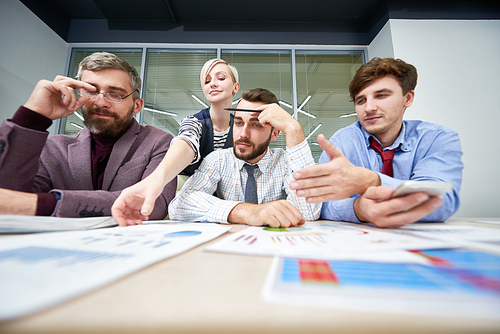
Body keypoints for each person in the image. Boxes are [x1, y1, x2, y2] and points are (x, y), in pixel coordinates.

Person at [289, 57, 463, 228]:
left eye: (381, 95)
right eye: (361, 100)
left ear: (408, 99)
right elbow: (320, 204)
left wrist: (371, 181)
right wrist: (358, 209)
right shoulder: (342, 141)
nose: (369, 108)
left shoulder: (436, 138)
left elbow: (442, 200)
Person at [0, 52, 176, 218]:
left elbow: (153, 205)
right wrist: (33, 117)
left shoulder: (159, 142)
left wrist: (50, 203)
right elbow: (9, 197)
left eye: (115, 94)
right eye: (91, 91)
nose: (100, 102)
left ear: (137, 106)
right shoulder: (53, 147)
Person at [167, 88, 321, 228]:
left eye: (256, 125)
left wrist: (293, 128)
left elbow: (309, 212)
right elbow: (178, 206)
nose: (243, 134)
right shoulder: (218, 160)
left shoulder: (286, 161)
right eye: (239, 123)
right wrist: (249, 212)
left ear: (274, 134)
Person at [112, 58, 240, 225]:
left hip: (230, 198)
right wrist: (156, 179)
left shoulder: (241, 126)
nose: (212, 84)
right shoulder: (193, 122)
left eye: (221, 78)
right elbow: (186, 142)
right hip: (194, 198)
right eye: (207, 81)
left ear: (235, 87)